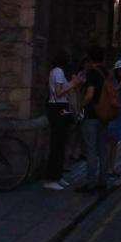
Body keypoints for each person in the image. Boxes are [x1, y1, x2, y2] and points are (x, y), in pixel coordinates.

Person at [43, 50, 82, 191]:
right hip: (57, 107)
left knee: (61, 142)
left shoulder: (57, 71)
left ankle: (57, 176)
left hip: (61, 107)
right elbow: (59, 92)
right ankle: (51, 178)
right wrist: (73, 83)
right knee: (57, 143)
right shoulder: (58, 72)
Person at [78, 46, 110, 192]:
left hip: (92, 115)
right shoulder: (106, 72)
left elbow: (90, 94)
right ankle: (103, 181)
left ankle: (91, 183)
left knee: (91, 149)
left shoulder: (92, 73)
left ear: (91, 59)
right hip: (104, 114)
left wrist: (80, 105)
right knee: (103, 149)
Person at [106, 59, 121, 182]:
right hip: (111, 113)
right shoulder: (112, 81)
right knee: (109, 142)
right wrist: (120, 86)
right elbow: (110, 93)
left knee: (115, 142)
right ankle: (107, 168)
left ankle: (111, 167)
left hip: (120, 113)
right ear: (117, 70)